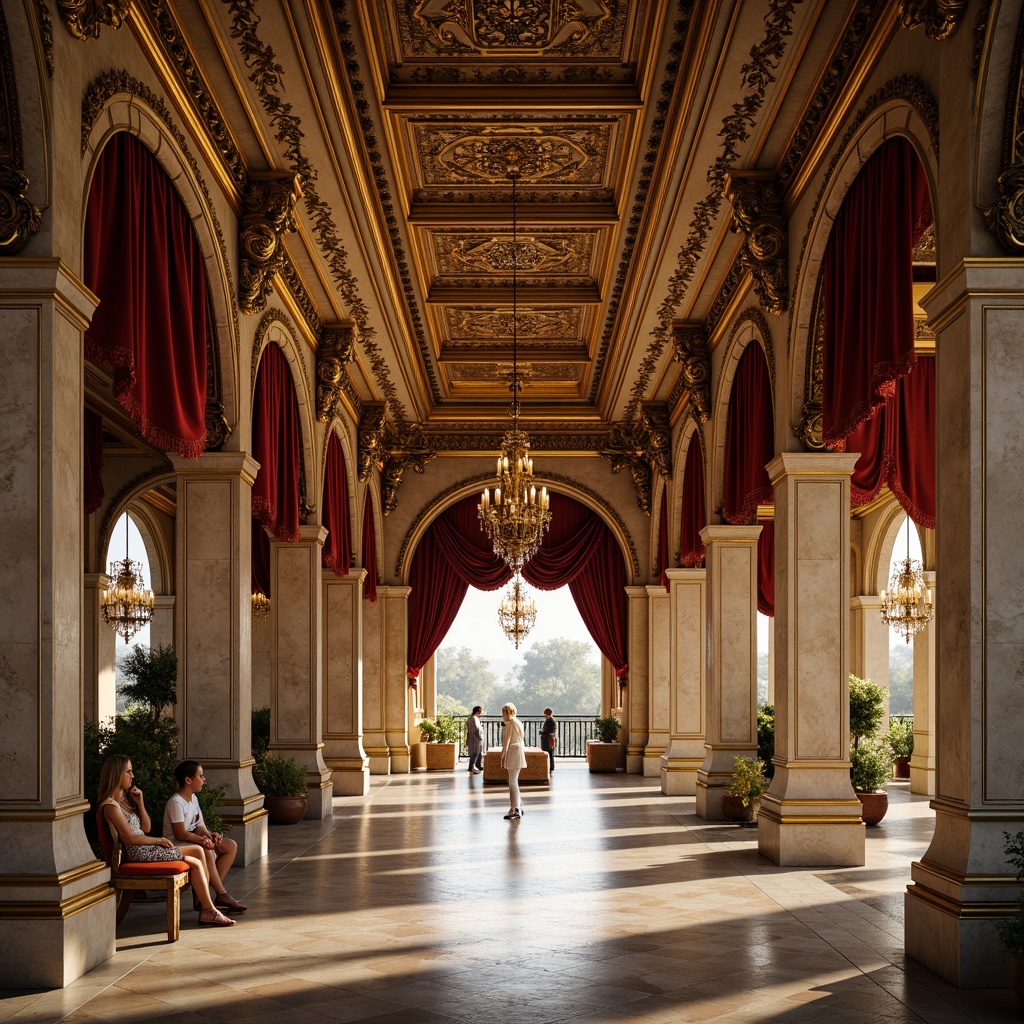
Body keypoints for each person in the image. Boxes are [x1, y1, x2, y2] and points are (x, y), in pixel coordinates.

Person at [97, 754, 235, 927]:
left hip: (145, 848)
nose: (132, 776)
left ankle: (206, 907)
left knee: (196, 861)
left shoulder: (123, 802)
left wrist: (140, 802)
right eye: (128, 772)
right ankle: (209, 908)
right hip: (139, 853)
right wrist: (158, 840)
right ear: (116, 774)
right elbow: (129, 839)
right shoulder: (111, 806)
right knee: (198, 851)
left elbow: (145, 828)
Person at [163, 760, 247, 914]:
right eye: (200, 776)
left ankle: (205, 895)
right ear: (188, 780)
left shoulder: (193, 798)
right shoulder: (176, 802)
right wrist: (203, 841)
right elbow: (180, 833)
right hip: (176, 845)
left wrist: (209, 835)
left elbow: (199, 825)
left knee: (230, 846)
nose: (204, 779)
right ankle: (221, 894)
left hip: (192, 841)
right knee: (206, 850)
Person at [500, 702, 526, 820]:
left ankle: (515, 809)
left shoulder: (510, 724)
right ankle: (517, 807)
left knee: (512, 783)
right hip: (519, 752)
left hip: (513, 753)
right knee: (514, 781)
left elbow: (506, 742)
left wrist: (502, 755)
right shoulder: (518, 722)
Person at [466, 706, 485, 774]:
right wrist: (481, 736)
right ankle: (472, 767)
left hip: (473, 738)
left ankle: (476, 766)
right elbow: (477, 729)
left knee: (476, 753)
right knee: (475, 753)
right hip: (476, 739)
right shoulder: (475, 719)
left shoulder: (470, 718)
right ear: (478, 711)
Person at [540, 708, 557, 772]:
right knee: (551, 753)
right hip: (551, 738)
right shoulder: (552, 720)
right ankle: (552, 766)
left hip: (547, 739)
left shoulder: (548, 721)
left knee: (547, 752)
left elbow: (546, 730)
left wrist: (542, 733)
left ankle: (548, 766)